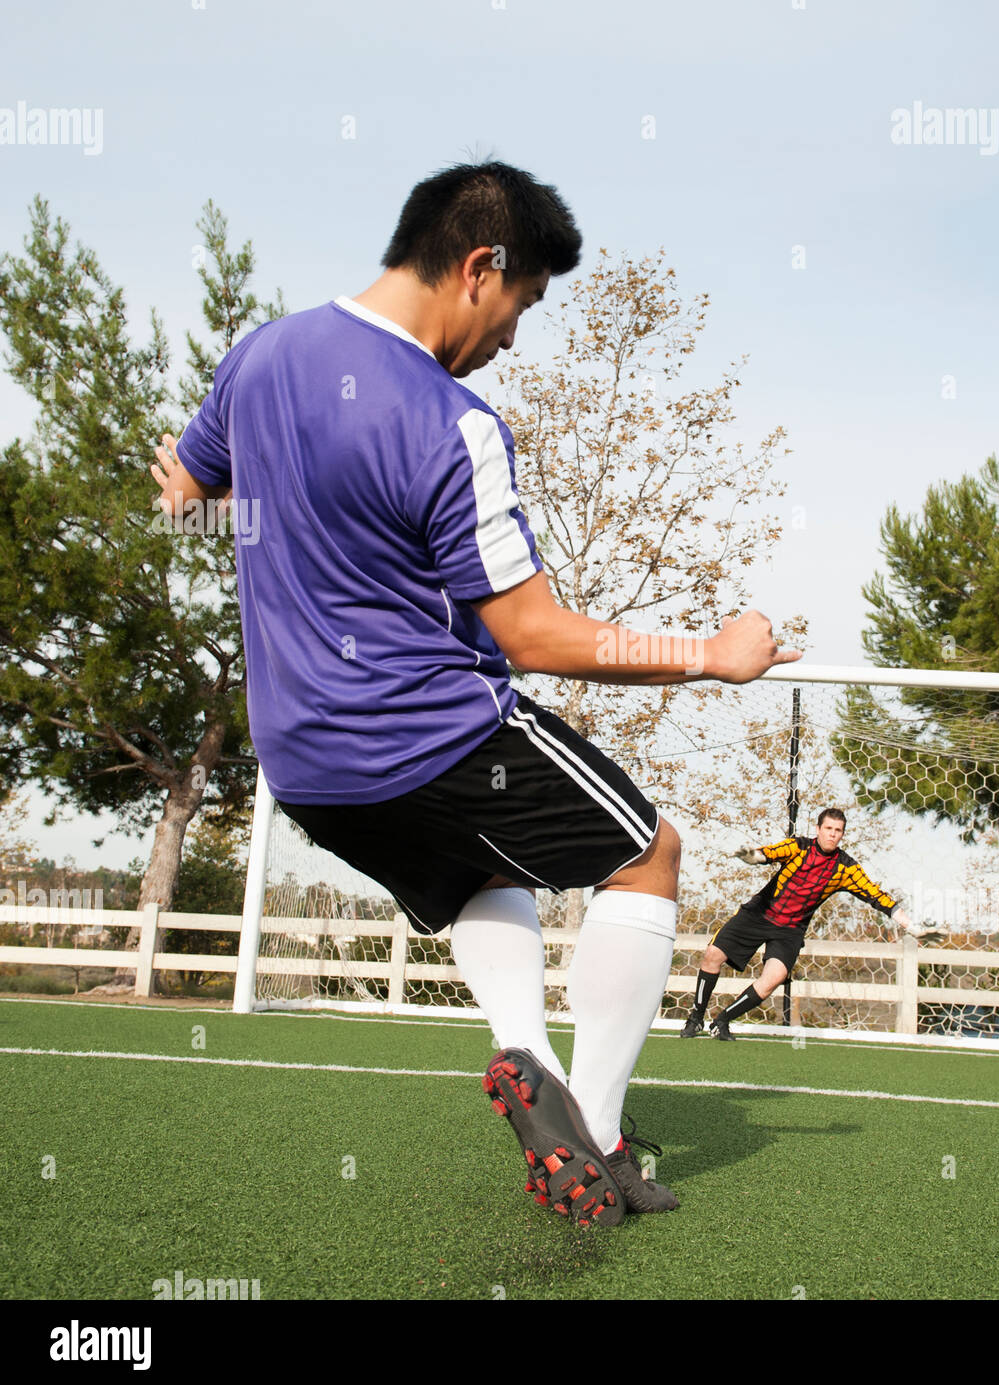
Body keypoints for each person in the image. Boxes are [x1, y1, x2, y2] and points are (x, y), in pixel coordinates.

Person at [150, 161, 799, 1226]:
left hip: (306, 765)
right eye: (523, 305)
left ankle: (525, 1058)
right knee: (649, 855)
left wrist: (186, 495)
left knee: (480, 873)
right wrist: (711, 652)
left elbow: (195, 490)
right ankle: (593, 1127)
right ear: (479, 268)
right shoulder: (450, 421)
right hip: (435, 733)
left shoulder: (260, 356)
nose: (511, 338)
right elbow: (532, 636)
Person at [681, 808, 925, 1039]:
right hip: (759, 913)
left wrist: (912, 927)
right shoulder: (798, 847)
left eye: (838, 830)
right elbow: (770, 852)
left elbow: (877, 896)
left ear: (842, 834)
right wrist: (753, 856)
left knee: (773, 978)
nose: (832, 834)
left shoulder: (846, 867)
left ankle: (722, 1020)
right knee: (712, 955)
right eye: (828, 828)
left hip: (790, 929)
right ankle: (696, 1018)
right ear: (818, 829)